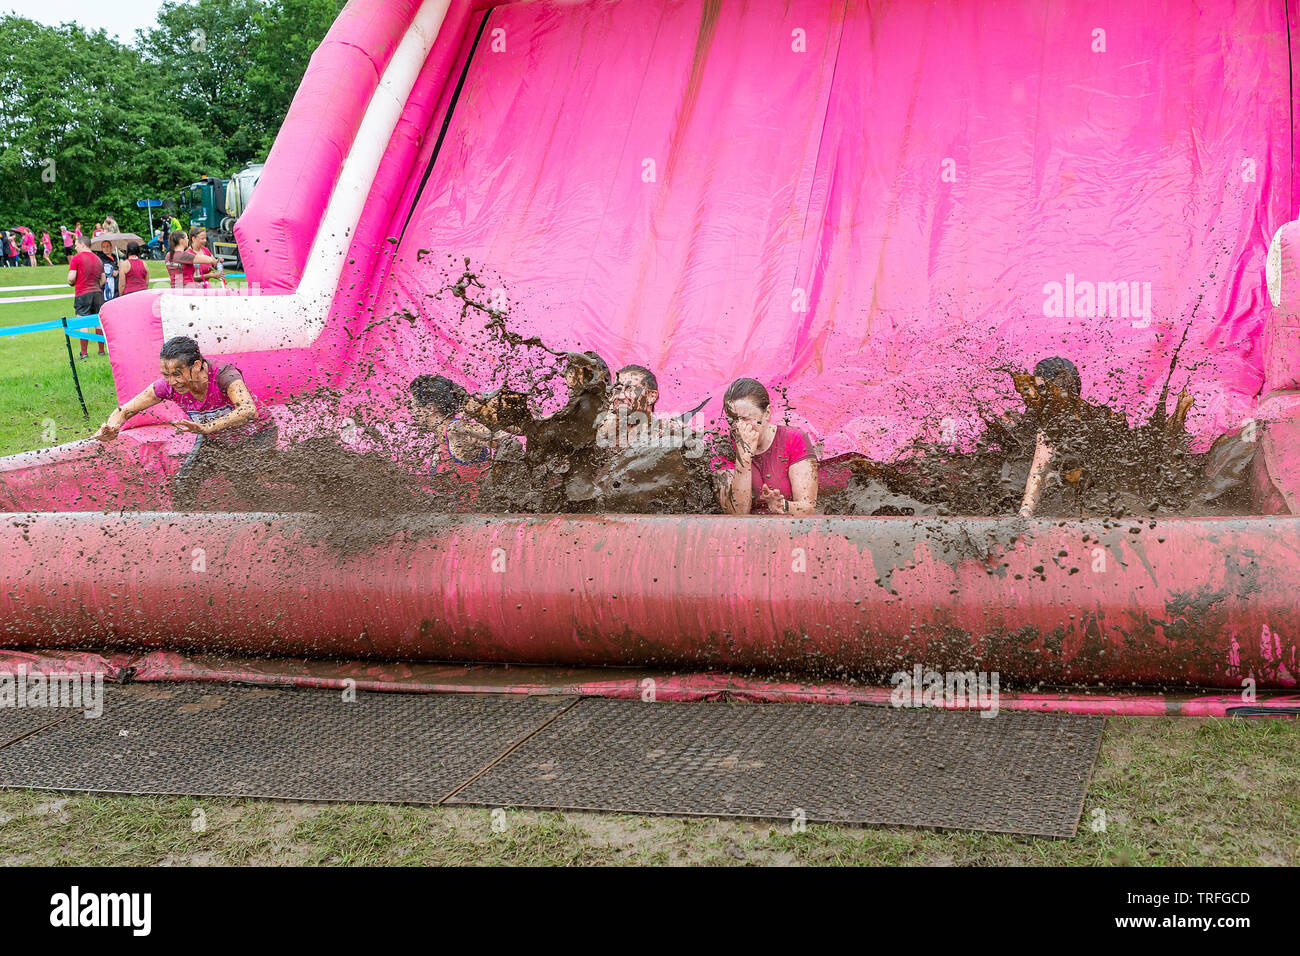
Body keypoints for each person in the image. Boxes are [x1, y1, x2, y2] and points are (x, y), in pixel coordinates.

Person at [92, 336, 277, 486]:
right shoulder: (168, 387)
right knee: (183, 484)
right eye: (166, 375)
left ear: (196, 366)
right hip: (217, 438)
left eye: (177, 374)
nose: (172, 382)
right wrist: (112, 428)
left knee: (244, 475)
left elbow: (248, 409)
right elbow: (125, 411)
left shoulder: (224, 375)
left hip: (258, 433)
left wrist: (207, 427)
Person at [717, 377, 818, 515]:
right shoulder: (723, 448)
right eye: (733, 419)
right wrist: (744, 457)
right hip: (742, 533)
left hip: (787, 529)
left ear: (767, 413)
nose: (739, 427)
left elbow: (808, 508)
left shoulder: (794, 439)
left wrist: (783, 506)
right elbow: (736, 514)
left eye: (746, 419)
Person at [1018, 356, 1083, 517]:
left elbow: (1039, 468)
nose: (1029, 391)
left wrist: (1025, 511)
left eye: (1036, 386)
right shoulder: (1082, 418)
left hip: (1053, 513)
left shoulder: (1050, 419)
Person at [66, 236, 105, 359]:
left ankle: (84, 353)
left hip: (83, 293)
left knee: (83, 322)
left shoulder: (76, 258)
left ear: (83, 244)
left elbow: (71, 277)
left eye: (76, 245)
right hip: (98, 293)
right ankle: (101, 350)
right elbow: (103, 280)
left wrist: (71, 283)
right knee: (98, 322)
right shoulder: (98, 259)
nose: (75, 247)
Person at [95, 236, 119, 302]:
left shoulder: (115, 257)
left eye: (108, 246)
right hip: (107, 287)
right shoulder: (100, 259)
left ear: (111, 247)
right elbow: (112, 273)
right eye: (104, 247)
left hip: (117, 287)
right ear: (101, 248)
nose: (106, 248)